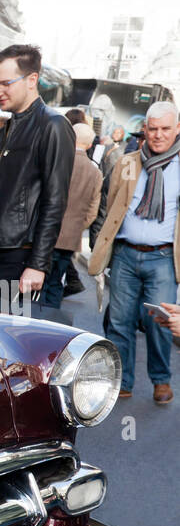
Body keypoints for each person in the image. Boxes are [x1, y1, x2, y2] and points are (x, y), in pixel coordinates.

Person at [0, 44, 74, 310]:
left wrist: (37, 264)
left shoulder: (53, 125)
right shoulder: (3, 131)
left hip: (16, 257)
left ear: (32, 80)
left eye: (5, 84)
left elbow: (55, 202)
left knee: (5, 345)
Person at [88, 100, 179, 404]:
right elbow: (110, 206)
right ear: (144, 130)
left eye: (165, 128)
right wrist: (100, 247)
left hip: (163, 257)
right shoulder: (127, 162)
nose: (158, 135)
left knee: (161, 323)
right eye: (152, 129)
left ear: (177, 129)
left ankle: (161, 380)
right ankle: (122, 380)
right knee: (119, 322)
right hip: (125, 254)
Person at [44, 123, 103, 310]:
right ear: (88, 144)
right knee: (55, 283)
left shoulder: (57, 161)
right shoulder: (95, 172)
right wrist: (77, 226)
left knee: (38, 283)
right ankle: (51, 324)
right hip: (71, 237)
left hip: (46, 234)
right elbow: (93, 211)